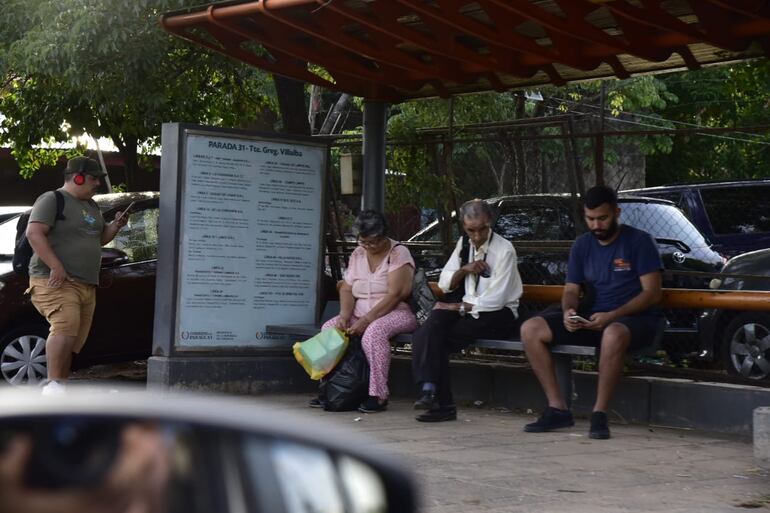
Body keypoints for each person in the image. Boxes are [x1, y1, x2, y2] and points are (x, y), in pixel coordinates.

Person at [520, 185, 663, 439]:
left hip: (633, 321)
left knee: (613, 333)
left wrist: (613, 316)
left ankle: (599, 414)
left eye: (603, 218)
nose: (596, 225)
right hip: (593, 318)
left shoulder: (640, 242)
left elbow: (652, 293)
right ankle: (557, 408)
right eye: (590, 219)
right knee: (530, 329)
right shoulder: (582, 245)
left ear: (617, 212)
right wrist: (569, 312)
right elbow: (571, 290)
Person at [411, 199, 523, 422]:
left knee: (438, 338)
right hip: (468, 308)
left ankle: (437, 397)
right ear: (463, 226)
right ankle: (429, 389)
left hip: (497, 315)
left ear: (489, 222)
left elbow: (496, 300)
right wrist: (464, 270)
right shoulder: (464, 245)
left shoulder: (504, 250)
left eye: (482, 229)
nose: (477, 236)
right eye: (471, 230)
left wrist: (459, 306)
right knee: (433, 322)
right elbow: (444, 283)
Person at [25, 156, 129, 395]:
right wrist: (56, 265)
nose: (97, 184)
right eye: (94, 179)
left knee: (72, 338)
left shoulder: (91, 206)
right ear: (77, 177)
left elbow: (99, 238)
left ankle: (59, 387)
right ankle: (52, 385)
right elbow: (34, 233)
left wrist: (115, 226)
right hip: (55, 280)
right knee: (64, 327)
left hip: (86, 283)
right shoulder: (52, 199)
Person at [312, 210, 417, 413]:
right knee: (330, 329)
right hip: (359, 312)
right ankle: (330, 389)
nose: (368, 247)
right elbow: (347, 288)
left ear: (384, 236)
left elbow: (396, 294)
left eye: (373, 242)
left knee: (374, 334)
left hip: (396, 312)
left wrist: (367, 319)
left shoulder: (398, 253)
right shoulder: (358, 254)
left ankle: (378, 395)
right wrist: (344, 316)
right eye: (363, 242)